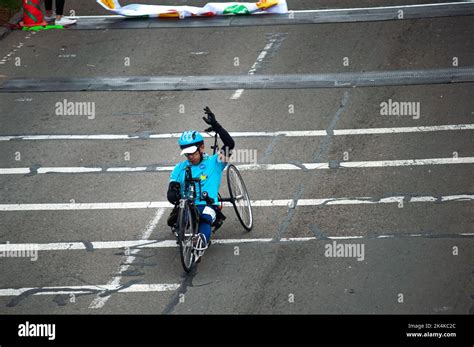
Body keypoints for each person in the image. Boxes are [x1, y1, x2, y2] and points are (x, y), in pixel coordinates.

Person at [167, 107, 234, 255]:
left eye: (192, 152)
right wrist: (173, 192)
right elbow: (173, 187)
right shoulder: (180, 168)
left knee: (205, 218)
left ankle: (201, 240)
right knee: (178, 224)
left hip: (208, 204)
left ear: (202, 147)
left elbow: (230, 144)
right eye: (187, 154)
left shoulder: (215, 162)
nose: (190, 156)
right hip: (188, 204)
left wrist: (217, 127)